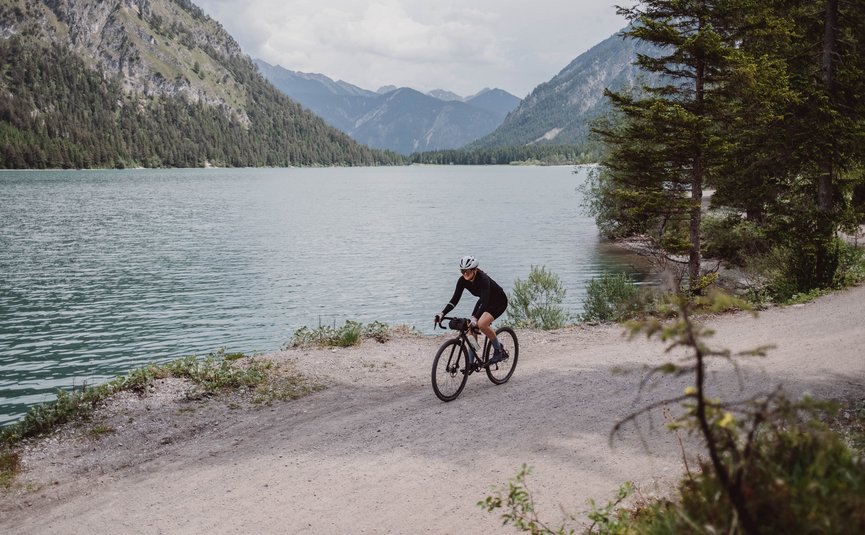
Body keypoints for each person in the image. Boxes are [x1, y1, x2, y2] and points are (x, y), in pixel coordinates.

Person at [434, 255, 509, 367]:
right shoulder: (462, 281)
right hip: (485, 301)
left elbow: (484, 300)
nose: (465, 274)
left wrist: (475, 318)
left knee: (481, 324)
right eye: (462, 271)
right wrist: (442, 313)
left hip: (499, 301)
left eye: (467, 271)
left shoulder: (483, 279)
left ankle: (499, 351)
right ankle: (471, 360)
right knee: (471, 329)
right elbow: (454, 300)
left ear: (474, 270)